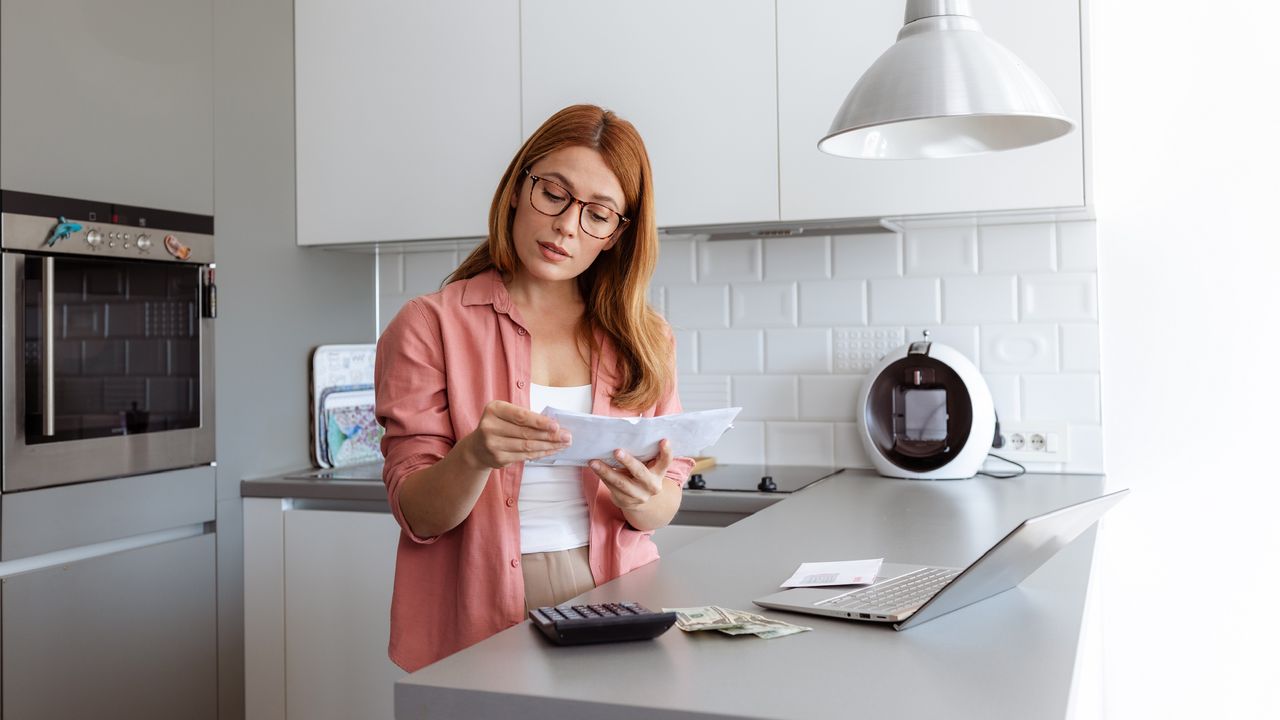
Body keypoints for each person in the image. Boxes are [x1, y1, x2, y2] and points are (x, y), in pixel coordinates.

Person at [374, 104, 694, 672]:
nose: (568, 225)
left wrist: (647, 499)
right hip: (474, 605)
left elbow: (665, 497)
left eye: (598, 214)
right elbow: (418, 516)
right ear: (519, 187)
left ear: (617, 236)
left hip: (618, 599)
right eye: (554, 193)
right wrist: (473, 455)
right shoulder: (428, 326)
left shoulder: (646, 338)